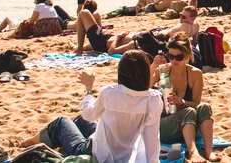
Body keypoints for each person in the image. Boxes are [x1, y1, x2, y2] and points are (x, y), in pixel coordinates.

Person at [14, 50, 162, 162]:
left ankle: (31, 142)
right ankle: (49, 140)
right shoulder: (153, 100)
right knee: (79, 120)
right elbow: (152, 137)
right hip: (126, 154)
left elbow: (89, 114)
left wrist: (89, 89)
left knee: (61, 122)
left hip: (97, 154)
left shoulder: (110, 93)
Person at [156, 37, 217, 162]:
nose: (173, 60)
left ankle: (209, 151)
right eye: (170, 56)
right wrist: (153, 66)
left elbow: (196, 103)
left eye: (178, 57)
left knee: (204, 107)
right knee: (188, 111)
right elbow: (142, 90)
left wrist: (181, 102)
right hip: (165, 124)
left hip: (188, 124)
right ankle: (193, 152)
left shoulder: (195, 74)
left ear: (188, 55)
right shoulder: (163, 71)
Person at [0, 0, 64, 39]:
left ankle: (11, 36)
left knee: (24, 24)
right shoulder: (49, 6)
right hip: (55, 29)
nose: (34, 1)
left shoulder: (38, 6)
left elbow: (31, 21)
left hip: (44, 30)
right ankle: (12, 34)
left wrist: (25, 22)